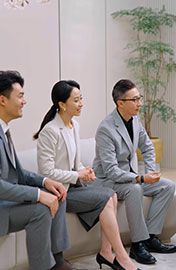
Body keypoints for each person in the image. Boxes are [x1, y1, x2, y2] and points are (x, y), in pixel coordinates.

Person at [0, 71, 73, 270]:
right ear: (2, 100)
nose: (24, 101)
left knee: (57, 194)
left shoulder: (0, 129)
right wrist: (37, 195)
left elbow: (17, 173)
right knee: (40, 209)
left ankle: (58, 260)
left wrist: (46, 183)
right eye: (20, 96)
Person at [34, 80, 140, 270]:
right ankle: (121, 257)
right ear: (62, 104)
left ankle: (106, 253)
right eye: (76, 100)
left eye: (81, 98)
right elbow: (47, 172)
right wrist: (77, 174)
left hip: (75, 186)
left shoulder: (74, 125)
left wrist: (85, 171)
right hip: (59, 191)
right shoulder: (49, 132)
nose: (81, 103)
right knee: (108, 197)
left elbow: (75, 162)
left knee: (112, 195)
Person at [92, 79, 176, 265]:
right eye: (135, 100)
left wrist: (150, 174)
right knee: (135, 189)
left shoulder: (136, 120)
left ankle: (150, 237)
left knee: (167, 186)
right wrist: (140, 178)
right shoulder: (106, 129)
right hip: (107, 181)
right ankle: (137, 245)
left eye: (140, 98)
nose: (139, 103)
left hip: (131, 177)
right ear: (120, 103)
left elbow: (147, 148)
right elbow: (111, 170)